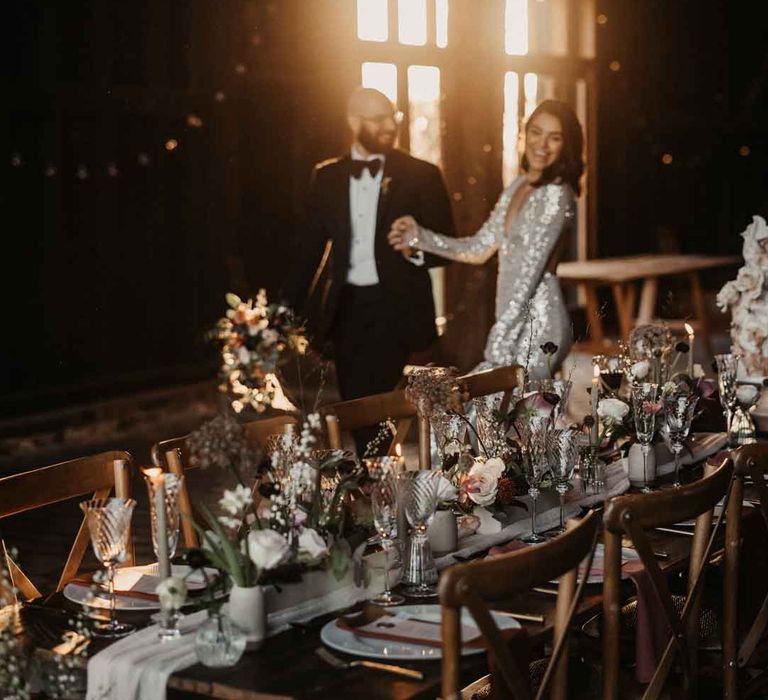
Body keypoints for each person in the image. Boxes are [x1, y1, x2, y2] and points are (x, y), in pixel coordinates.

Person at [282, 87, 456, 410]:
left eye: (394, 117)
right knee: (357, 409)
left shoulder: (423, 175)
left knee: (400, 411)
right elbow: (308, 253)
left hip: (400, 311)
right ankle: (370, 463)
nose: (390, 126)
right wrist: (279, 315)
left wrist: (415, 250)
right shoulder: (327, 177)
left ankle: (390, 461)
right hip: (347, 313)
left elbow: (448, 243)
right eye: (378, 119)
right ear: (353, 121)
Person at [388, 99, 584, 379]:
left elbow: (529, 273)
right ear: (525, 133)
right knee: (505, 419)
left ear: (566, 145)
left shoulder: (556, 194)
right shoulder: (518, 185)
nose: (542, 145)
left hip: (539, 326)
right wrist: (420, 237)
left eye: (554, 138)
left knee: (516, 417)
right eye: (536, 132)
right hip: (514, 321)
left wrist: (501, 336)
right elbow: (479, 248)